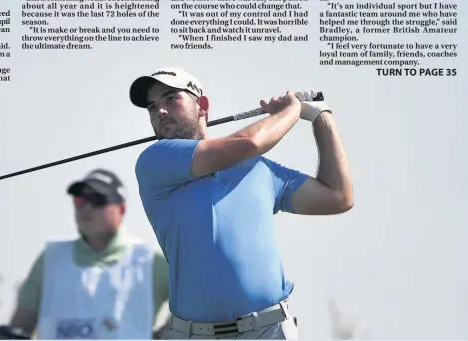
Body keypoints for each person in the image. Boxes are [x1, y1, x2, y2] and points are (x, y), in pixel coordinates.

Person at [129, 67, 354, 339]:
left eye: (170, 99)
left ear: (202, 106)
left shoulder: (258, 169)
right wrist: (292, 110)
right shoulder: (154, 162)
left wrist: (320, 116)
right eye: (152, 107)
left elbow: (338, 196)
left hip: (270, 332)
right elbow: (249, 142)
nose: (160, 111)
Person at [7, 169, 171, 339]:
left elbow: (197, 299)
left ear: (121, 209)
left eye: (97, 200)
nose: (86, 207)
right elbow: (20, 325)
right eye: (80, 200)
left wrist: (167, 334)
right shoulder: (50, 258)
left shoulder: (150, 260)